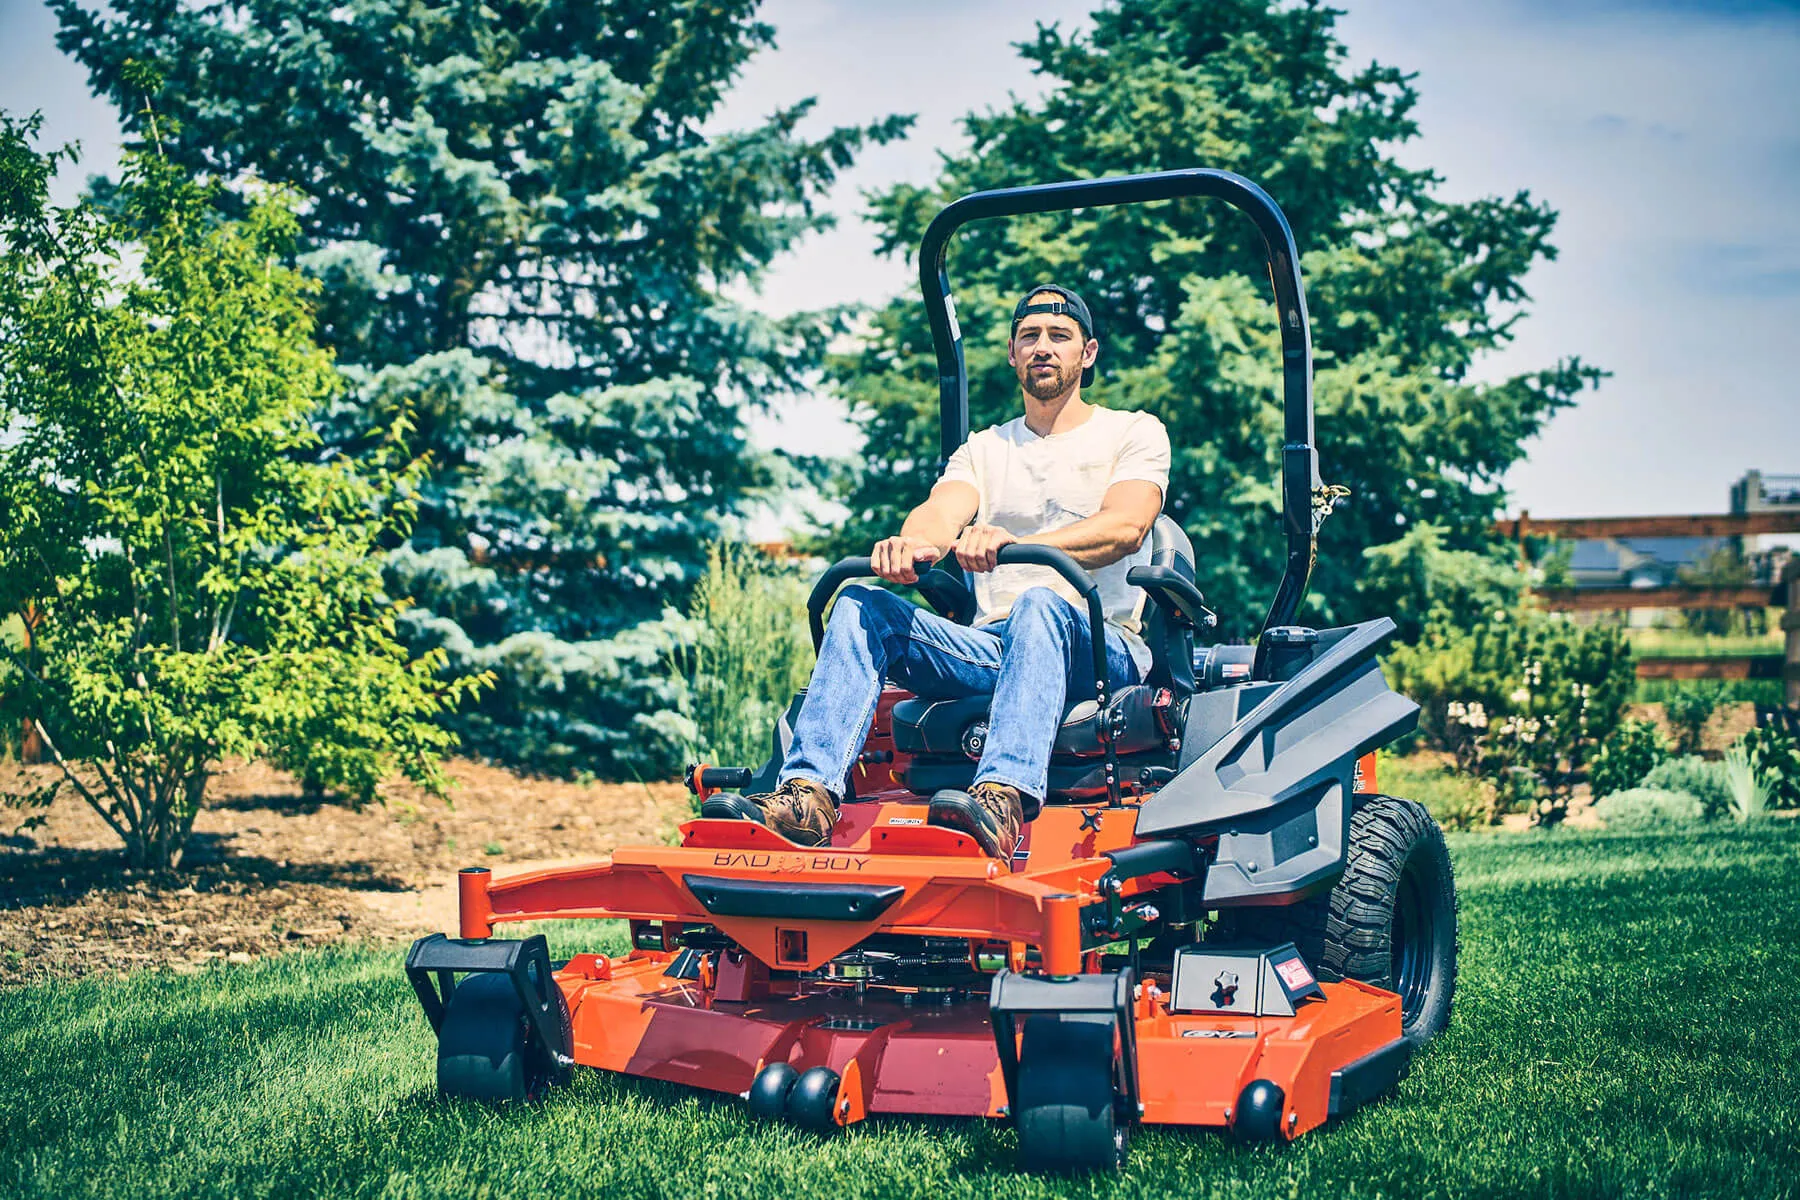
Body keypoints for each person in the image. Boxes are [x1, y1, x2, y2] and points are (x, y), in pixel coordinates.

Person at [718, 284, 1170, 864]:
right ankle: (807, 796)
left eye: (1059, 337)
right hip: (995, 647)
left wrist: (1020, 545)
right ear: (1011, 353)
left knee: (1039, 602)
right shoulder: (984, 449)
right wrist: (910, 547)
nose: (1043, 347)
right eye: (1029, 336)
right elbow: (939, 513)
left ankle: (1002, 798)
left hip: (1100, 646)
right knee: (861, 602)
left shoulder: (1132, 432)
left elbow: (1126, 526)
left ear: (1088, 353)